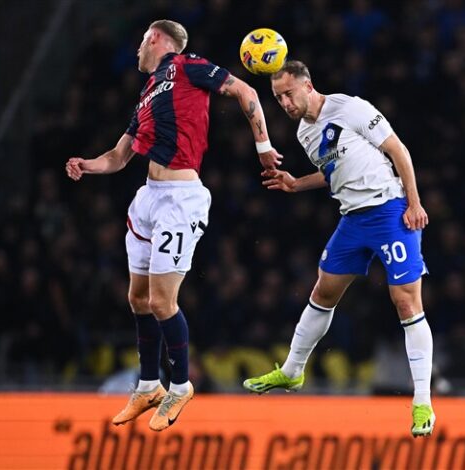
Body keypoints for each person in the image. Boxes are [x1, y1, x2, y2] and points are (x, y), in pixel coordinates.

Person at [65, 19, 282, 431]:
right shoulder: (148, 94)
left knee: (163, 302)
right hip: (148, 196)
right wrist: (86, 165)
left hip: (181, 199)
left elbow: (245, 90)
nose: (136, 52)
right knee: (138, 299)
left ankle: (180, 384)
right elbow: (118, 155)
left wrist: (264, 146)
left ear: (156, 39)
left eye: (141, 43)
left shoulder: (186, 66)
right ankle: (149, 385)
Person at [242, 60, 435, 437]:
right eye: (277, 97)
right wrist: (296, 183)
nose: (284, 102)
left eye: (288, 93)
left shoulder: (351, 107)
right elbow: (335, 171)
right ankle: (293, 370)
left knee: (407, 302)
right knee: (323, 291)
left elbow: (399, 151)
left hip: (390, 209)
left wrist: (414, 203)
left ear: (307, 85)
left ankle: (423, 401)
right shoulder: (304, 133)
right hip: (353, 218)